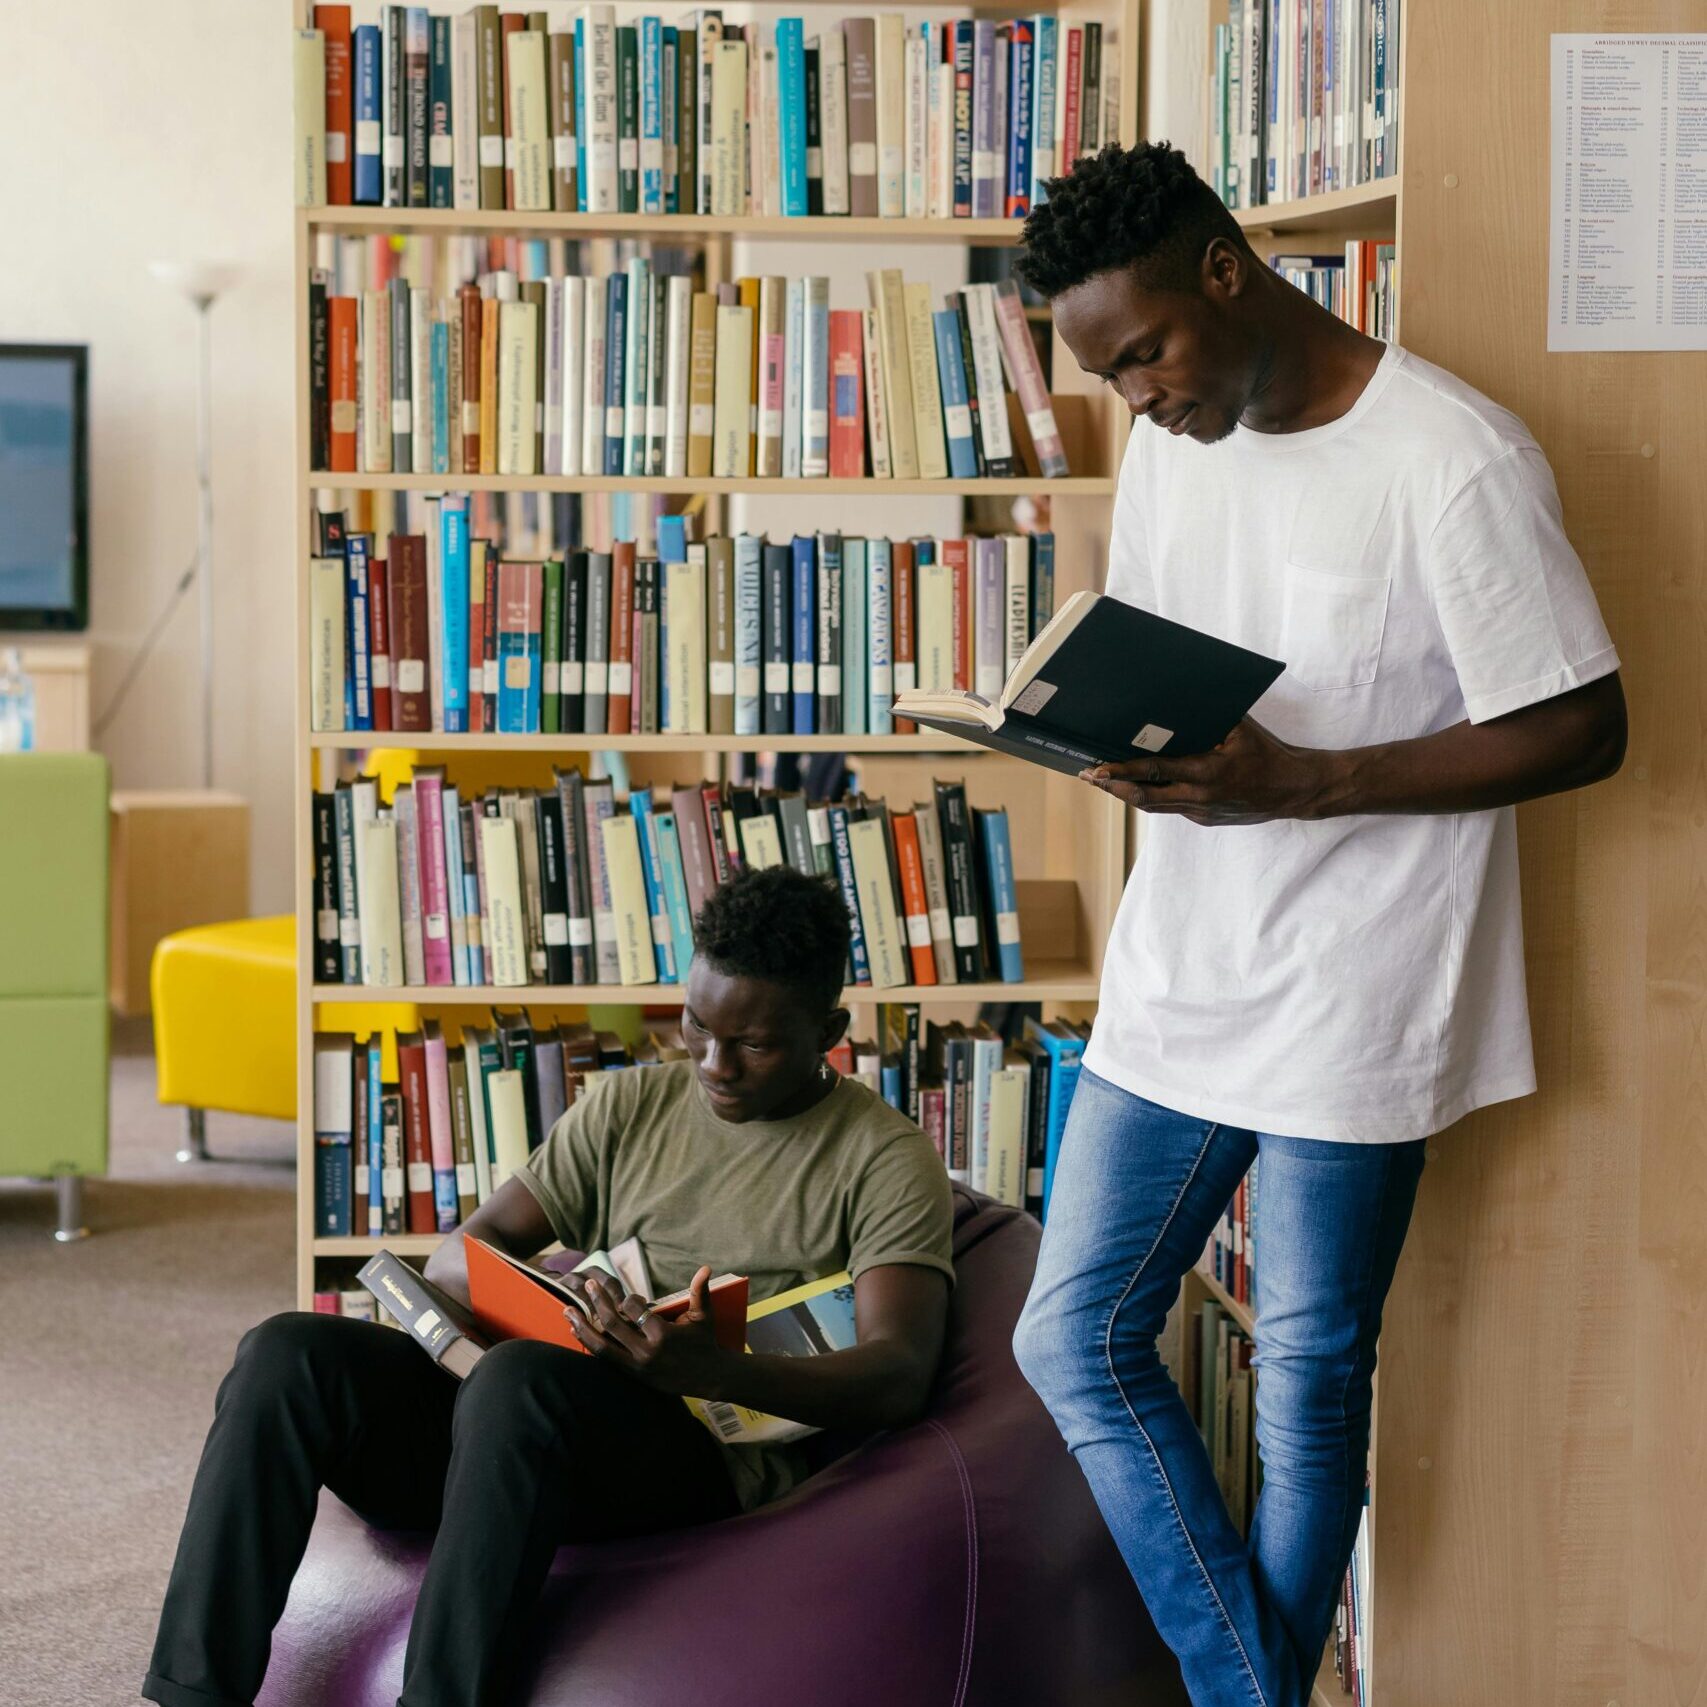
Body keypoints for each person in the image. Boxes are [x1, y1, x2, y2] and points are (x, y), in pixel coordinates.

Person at [1008, 143, 1625, 1707]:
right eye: (1105, 375)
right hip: (1180, 966)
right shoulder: (1171, 443)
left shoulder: (1448, 457)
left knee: (1307, 1379)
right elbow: (1157, 645)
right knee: (1069, 1335)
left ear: (1225, 267)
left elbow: (1579, 726)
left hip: (1361, 986)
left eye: (1141, 353)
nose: (1136, 398)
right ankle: (1255, 1692)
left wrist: (1312, 781)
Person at [144, 865, 954, 1707]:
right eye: (695, 1025)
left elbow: (898, 1369)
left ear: (828, 1028)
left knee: (520, 1382)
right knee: (287, 1351)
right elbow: (470, 1249)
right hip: (520, 1432)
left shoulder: (884, 1158)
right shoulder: (631, 1105)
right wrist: (547, 1308)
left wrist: (711, 1369)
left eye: (753, 1043)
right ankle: (189, 1695)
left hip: (696, 1456)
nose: (714, 1064)